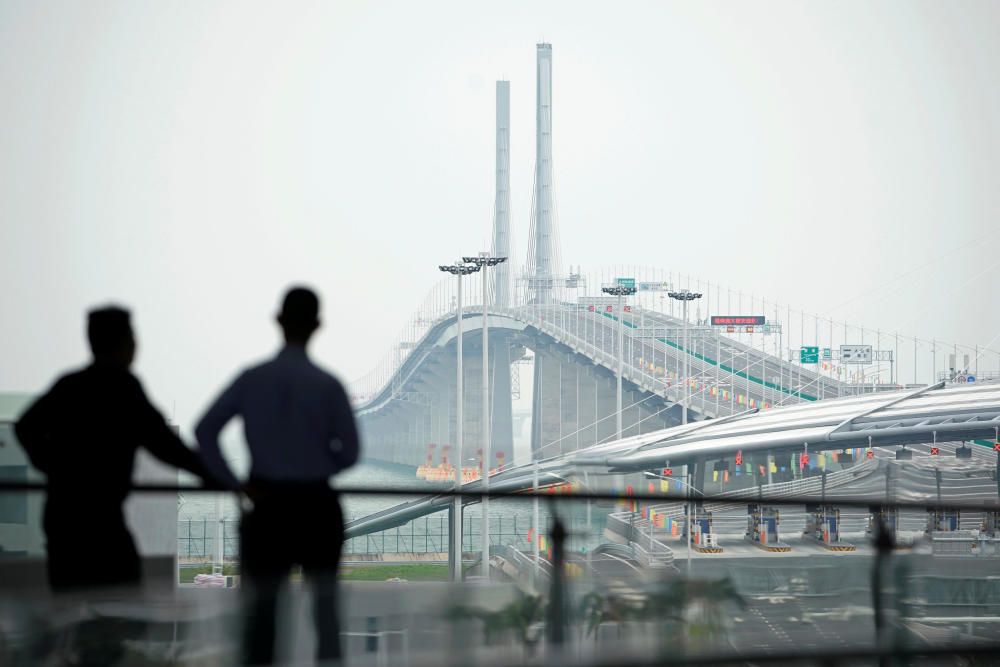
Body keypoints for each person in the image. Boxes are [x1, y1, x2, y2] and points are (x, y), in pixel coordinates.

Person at [195, 286, 360, 665]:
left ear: (278, 320)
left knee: (261, 619)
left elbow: (205, 430)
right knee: (325, 613)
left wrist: (236, 484)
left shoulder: (252, 379)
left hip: (267, 507)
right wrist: (319, 466)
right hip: (318, 507)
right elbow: (350, 453)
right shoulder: (328, 385)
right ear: (317, 325)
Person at [15, 306, 207, 591]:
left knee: (70, 604)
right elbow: (164, 444)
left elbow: (25, 427)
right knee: (121, 601)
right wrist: (211, 474)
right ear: (125, 343)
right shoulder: (123, 388)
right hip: (101, 520)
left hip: (63, 517)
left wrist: (52, 465)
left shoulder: (70, 385)